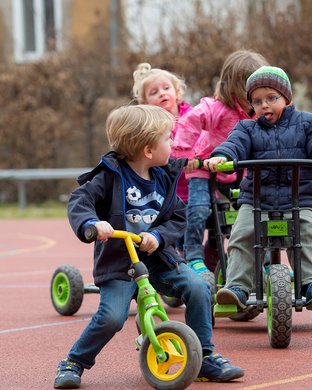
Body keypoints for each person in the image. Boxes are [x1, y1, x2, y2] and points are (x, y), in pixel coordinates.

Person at [53, 105, 244, 389]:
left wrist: (159, 234)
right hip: (121, 262)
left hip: (157, 258)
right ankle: (74, 362)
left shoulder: (163, 178)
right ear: (147, 150)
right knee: (112, 317)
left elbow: (177, 217)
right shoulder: (109, 177)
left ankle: (203, 356)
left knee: (198, 287)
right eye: (167, 138)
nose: (173, 143)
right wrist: (92, 223)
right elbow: (80, 201)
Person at [204, 65, 312, 311]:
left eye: (272, 98)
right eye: (257, 101)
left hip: (299, 198)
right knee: (243, 233)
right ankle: (237, 287)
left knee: (308, 232)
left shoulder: (307, 123)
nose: (265, 105)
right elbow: (234, 144)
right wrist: (221, 157)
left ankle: (311, 283)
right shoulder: (247, 128)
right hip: (257, 200)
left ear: (287, 98)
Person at [171, 50, 269, 278]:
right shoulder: (218, 108)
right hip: (205, 168)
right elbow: (190, 120)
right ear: (232, 85)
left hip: (238, 171)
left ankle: (263, 261)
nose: (252, 93)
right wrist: (184, 154)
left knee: (255, 211)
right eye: (247, 86)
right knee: (198, 210)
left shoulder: (262, 113)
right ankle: (193, 256)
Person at [132, 63, 192, 255]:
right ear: (145, 101)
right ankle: (183, 259)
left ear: (177, 91)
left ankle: (206, 258)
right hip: (169, 191)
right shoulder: (150, 127)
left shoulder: (193, 116)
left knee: (206, 224)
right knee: (177, 230)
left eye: (166, 88)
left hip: (198, 184)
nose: (162, 94)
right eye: (154, 92)